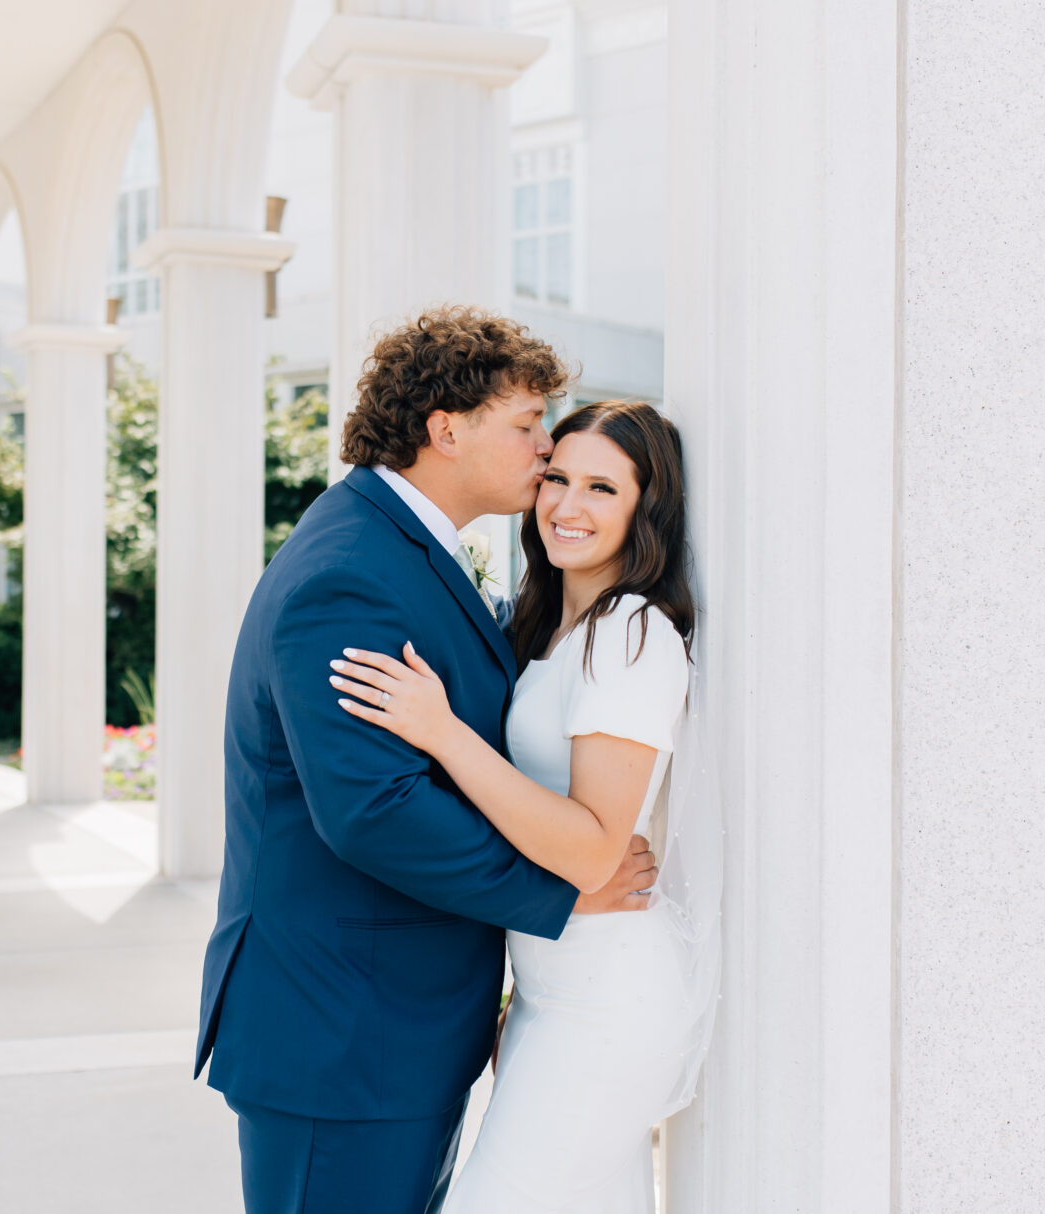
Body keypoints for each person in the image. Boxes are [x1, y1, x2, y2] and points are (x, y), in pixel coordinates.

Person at [196, 307, 661, 1214]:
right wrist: (562, 892)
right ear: (446, 430)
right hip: (343, 1037)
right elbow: (375, 809)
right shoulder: (350, 571)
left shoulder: (407, 548)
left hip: (390, 1030)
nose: (543, 450)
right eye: (527, 426)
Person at [330, 399, 720, 1212]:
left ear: (647, 510)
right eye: (557, 478)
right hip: (551, 989)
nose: (567, 507)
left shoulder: (633, 634)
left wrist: (441, 732)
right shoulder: (550, 629)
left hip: (608, 1001)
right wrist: (521, 996)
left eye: (603, 490)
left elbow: (589, 852)